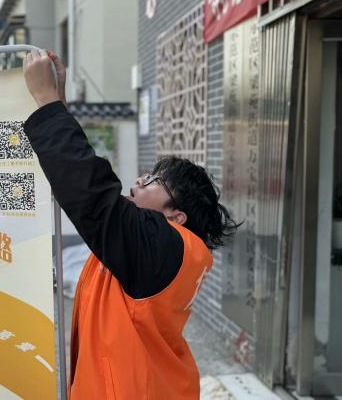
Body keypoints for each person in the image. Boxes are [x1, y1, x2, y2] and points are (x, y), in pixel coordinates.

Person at [22, 50, 240, 399]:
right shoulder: (160, 249)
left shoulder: (163, 246)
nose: (140, 179)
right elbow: (78, 185)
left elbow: (92, 194)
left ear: (176, 216)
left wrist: (47, 101)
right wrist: (57, 103)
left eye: (155, 180)